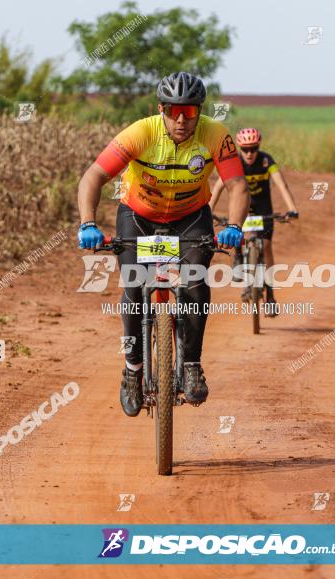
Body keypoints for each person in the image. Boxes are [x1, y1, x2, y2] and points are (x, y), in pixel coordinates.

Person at [77, 72, 250, 417]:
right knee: (134, 287)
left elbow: (237, 186)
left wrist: (233, 225)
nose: (182, 120)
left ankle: (191, 365)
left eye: (190, 111)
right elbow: (94, 176)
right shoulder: (141, 132)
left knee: (195, 284)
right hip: (138, 216)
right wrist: (88, 223)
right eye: (173, 111)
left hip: (190, 217)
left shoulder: (215, 135)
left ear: (200, 110)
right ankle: (132, 371)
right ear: (161, 109)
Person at [209, 128, 298, 314]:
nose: (250, 153)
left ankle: (271, 293)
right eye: (245, 149)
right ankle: (238, 258)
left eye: (253, 148)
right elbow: (218, 188)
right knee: (236, 230)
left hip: (263, 209)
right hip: (243, 208)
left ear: (259, 147)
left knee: (266, 247)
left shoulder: (266, 161)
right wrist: (207, 211)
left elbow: (281, 184)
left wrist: (292, 208)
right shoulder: (235, 162)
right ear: (240, 149)